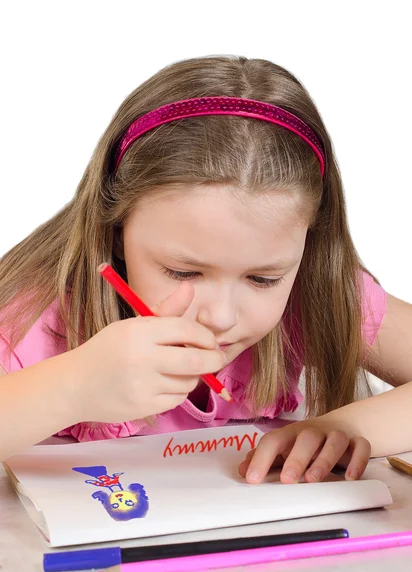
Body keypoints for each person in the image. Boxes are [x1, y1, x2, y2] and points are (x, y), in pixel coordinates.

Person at [1, 56, 411, 485]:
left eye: (263, 279)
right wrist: (71, 387)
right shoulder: (35, 315)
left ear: (310, 242)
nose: (220, 316)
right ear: (115, 228)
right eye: (182, 272)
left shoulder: (316, 290)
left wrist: (346, 431)